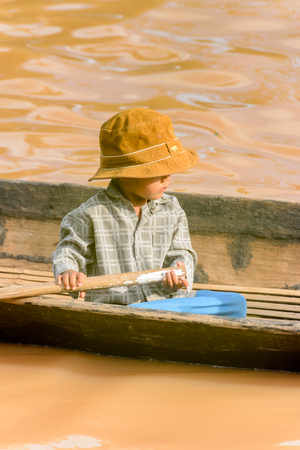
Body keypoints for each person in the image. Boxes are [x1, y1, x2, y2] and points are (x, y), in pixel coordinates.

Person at [52, 107, 246, 318]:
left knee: (237, 303)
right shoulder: (90, 214)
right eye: (158, 172)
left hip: (166, 302)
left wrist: (179, 272)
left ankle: (182, 308)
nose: (167, 178)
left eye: (169, 171)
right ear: (124, 174)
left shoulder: (172, 209)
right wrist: (68, 272)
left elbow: (183, 254)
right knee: (136, 314)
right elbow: (68, 253)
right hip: (119, 310)